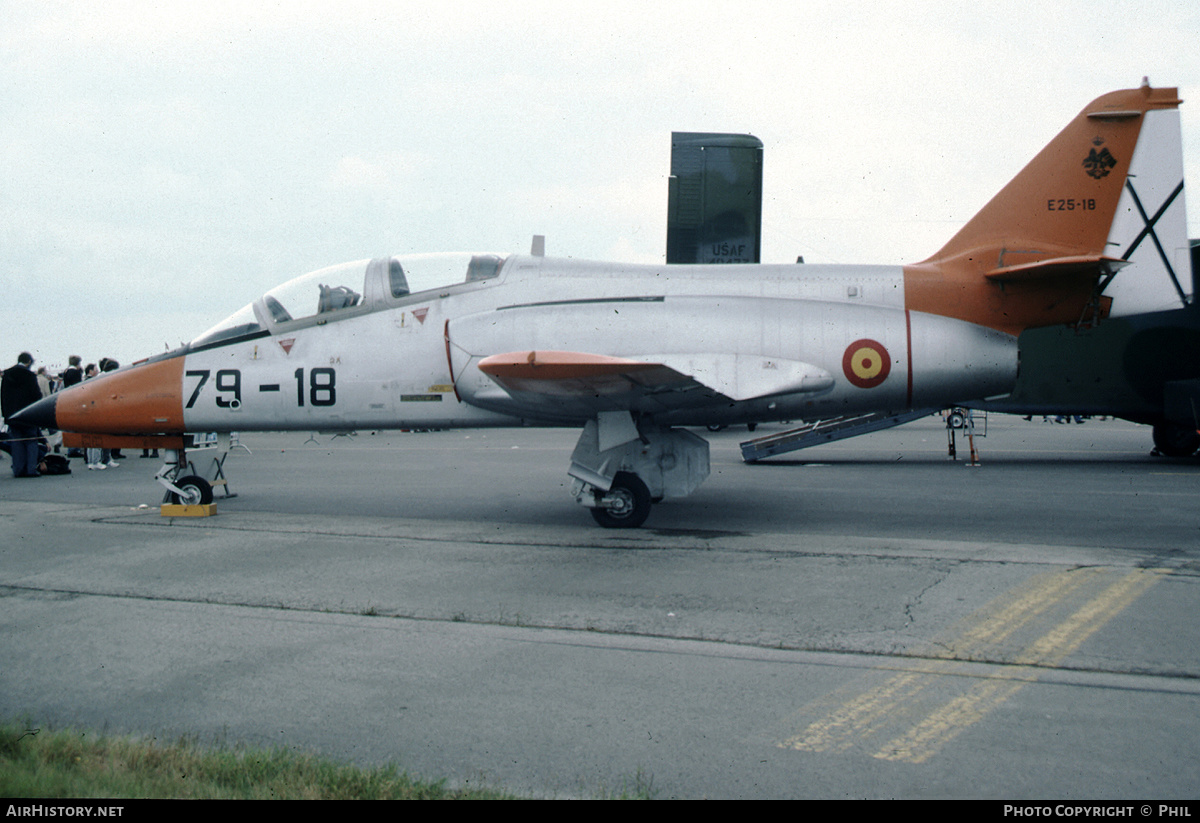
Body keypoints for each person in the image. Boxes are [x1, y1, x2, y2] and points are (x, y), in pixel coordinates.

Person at [1, 352, 44, 477]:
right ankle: (31, 469)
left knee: (17, 442)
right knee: (31, 441)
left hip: (12, 415)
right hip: (28, 415)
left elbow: (3, 397)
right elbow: (37, 396)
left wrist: (6, 415)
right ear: (29, 362)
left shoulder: (7, 374)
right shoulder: (29, 375)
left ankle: (18, 469)